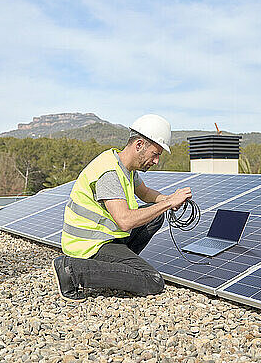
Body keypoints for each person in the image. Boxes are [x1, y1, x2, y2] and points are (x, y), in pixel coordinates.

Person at [52, 114, 192, 301]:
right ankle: (72, 270)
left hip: (105, 237)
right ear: (139, 145)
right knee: (152, 281)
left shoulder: (123, 166)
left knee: (156, 214)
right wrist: (168, 203)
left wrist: (168, 199)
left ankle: (120, 267)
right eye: (155, 154)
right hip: (89, 244)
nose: (157, 160)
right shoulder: (109, 172)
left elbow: (145, 193)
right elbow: (125, 221)